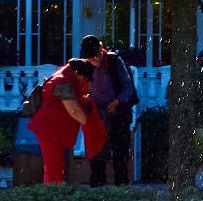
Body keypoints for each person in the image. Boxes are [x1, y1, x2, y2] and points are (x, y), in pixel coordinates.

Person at [24, 57, 107, 185]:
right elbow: (73, 110)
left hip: (50, 128)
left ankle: (51, 193)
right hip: (50, 130)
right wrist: (91, 126)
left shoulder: (61, 77)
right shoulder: (62, 82)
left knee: (53, 168)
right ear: (77, 73)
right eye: (85, 78)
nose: (85, 82)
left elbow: (62, 102)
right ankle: (53, 195)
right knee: (54, 169)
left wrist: (83, 101)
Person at [80, 34, 138, 187]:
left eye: (96, 56)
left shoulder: (114, 60)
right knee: (97, 156)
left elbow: (128, 87)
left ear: (101, 48)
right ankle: (97, 190)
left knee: (120, 154)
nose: (95, 60)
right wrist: (85, 98)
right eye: (91, 58)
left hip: (118, 114)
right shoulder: (83, 65)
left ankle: (121, 189)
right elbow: (80, 87)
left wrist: (118, 101)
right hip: (97, 117)